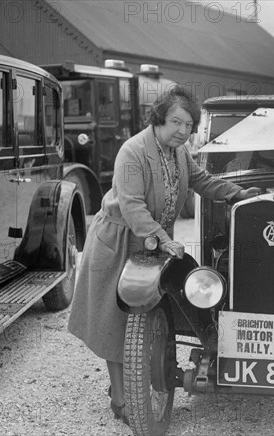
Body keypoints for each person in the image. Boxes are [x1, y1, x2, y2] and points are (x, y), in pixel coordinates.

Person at [67, 86, 260, 422]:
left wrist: (238, 194)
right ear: (158, 118)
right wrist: (161, 237)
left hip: (150, 244)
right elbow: (131, 204)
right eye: (176, 122)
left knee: (144, 317)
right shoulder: (132, 151)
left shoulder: (178, 152)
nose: (183, 131)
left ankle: (131, 387)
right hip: (120, 240)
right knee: (116, 322)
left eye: (189, 125)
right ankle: (120, 400)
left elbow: (202, 180)